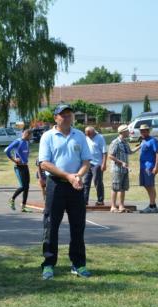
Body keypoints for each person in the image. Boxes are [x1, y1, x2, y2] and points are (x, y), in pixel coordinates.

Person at [38, 104, 92, 280]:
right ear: (55, 118)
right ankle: (48, 264)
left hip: (75, 185)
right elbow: (44, 163)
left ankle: (78, 264)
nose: (67, 117)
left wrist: (77, 176)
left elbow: (86, 161)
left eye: (69, 114)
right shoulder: (48, 136)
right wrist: (68, 176)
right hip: (56, 185)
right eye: (63, 115)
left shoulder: (80, 135)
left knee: (78, 226)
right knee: (51, 226)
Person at [108, 125, 139, 212]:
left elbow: (130, 152)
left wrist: (140, 146)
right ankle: (113, 206)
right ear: (122, 132)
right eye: (127, 131)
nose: (128, 132)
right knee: (115, 187)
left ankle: (121, 206)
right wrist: (121, 162)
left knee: (122, 188)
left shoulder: (125, 142)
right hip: (117, 170)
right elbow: (110, 156)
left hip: (124, 169)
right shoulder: (115, 142)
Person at [5, 129, 32, 212]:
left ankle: (23, 207)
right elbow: (7, 150)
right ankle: (12, 199)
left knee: (27, 187)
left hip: (25, 166)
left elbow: (25, 153)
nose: (31, 137)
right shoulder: (18, 141)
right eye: (30, 136)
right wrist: (14, 159)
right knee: (23, 186)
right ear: (27, 134)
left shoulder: (27, 142)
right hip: (19, 167)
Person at [137, 124, 158, 213]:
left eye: (144, 130)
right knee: (146, 185)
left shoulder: (153, 140)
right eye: (141, 131)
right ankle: (152, 205)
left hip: (149, 167)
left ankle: (152, 206)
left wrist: (156, 166)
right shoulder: (143, 140)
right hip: (143, 166)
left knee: (150, 186)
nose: (142, 132)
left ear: (148, 131)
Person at [83, 126, 107, 206]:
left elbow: (104, 152)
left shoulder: (100, 138)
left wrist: (103, 163)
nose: (88, 136)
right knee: (86, 182)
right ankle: (84, 200)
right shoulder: (85, 138)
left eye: (89, 134)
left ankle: (100, 200)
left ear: (93, 132)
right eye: (87, 134)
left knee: (97, 182)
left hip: (97, 163)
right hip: (87, 163)